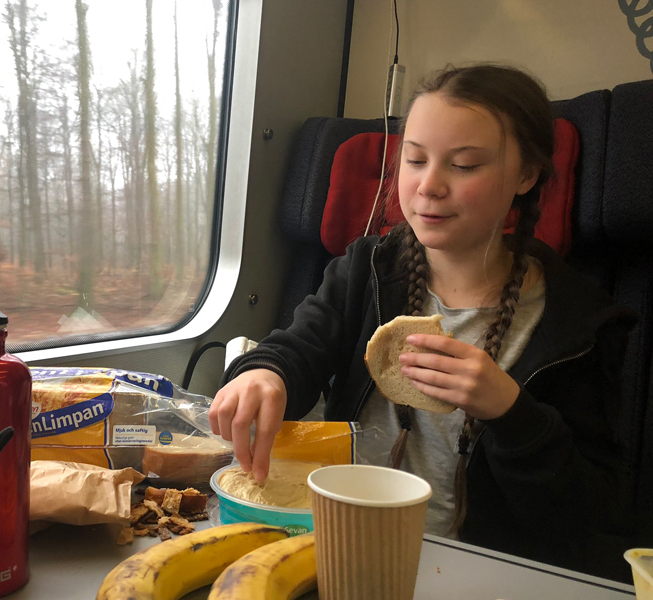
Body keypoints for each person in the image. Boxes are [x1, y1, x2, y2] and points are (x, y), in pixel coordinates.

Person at [209, 64, 637, 574]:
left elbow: (582, 514)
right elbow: (297, 349)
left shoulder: (579, 324)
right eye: (415, 160)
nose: (429, 185)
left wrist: (512, 411)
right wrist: (265, 372)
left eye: (465, 165)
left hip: (477, 568)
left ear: (526, 175)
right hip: (339, 541)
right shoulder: (366, 269)